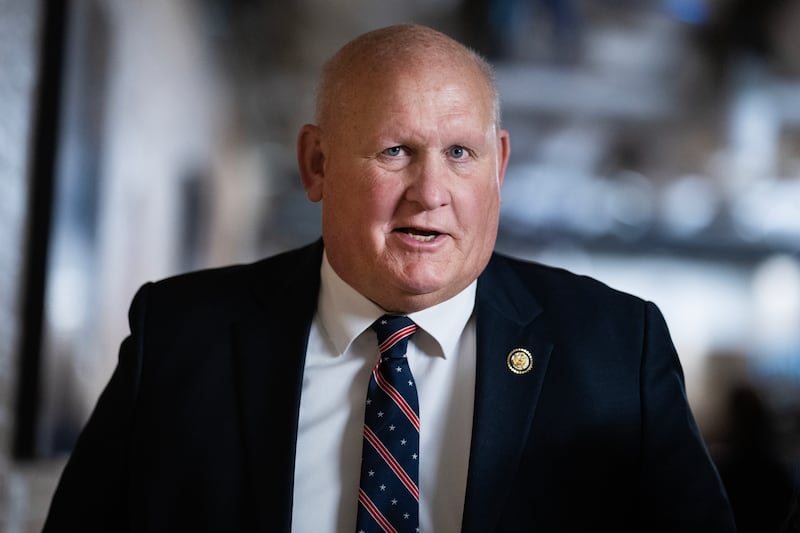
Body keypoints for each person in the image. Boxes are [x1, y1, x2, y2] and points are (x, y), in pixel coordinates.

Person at [42, 24, 735, 532]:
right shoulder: (180, 335)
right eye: (395, 151)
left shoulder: (616, 348)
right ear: (317, 163)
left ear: (498, 163)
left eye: (460, 153)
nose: (429, 192)